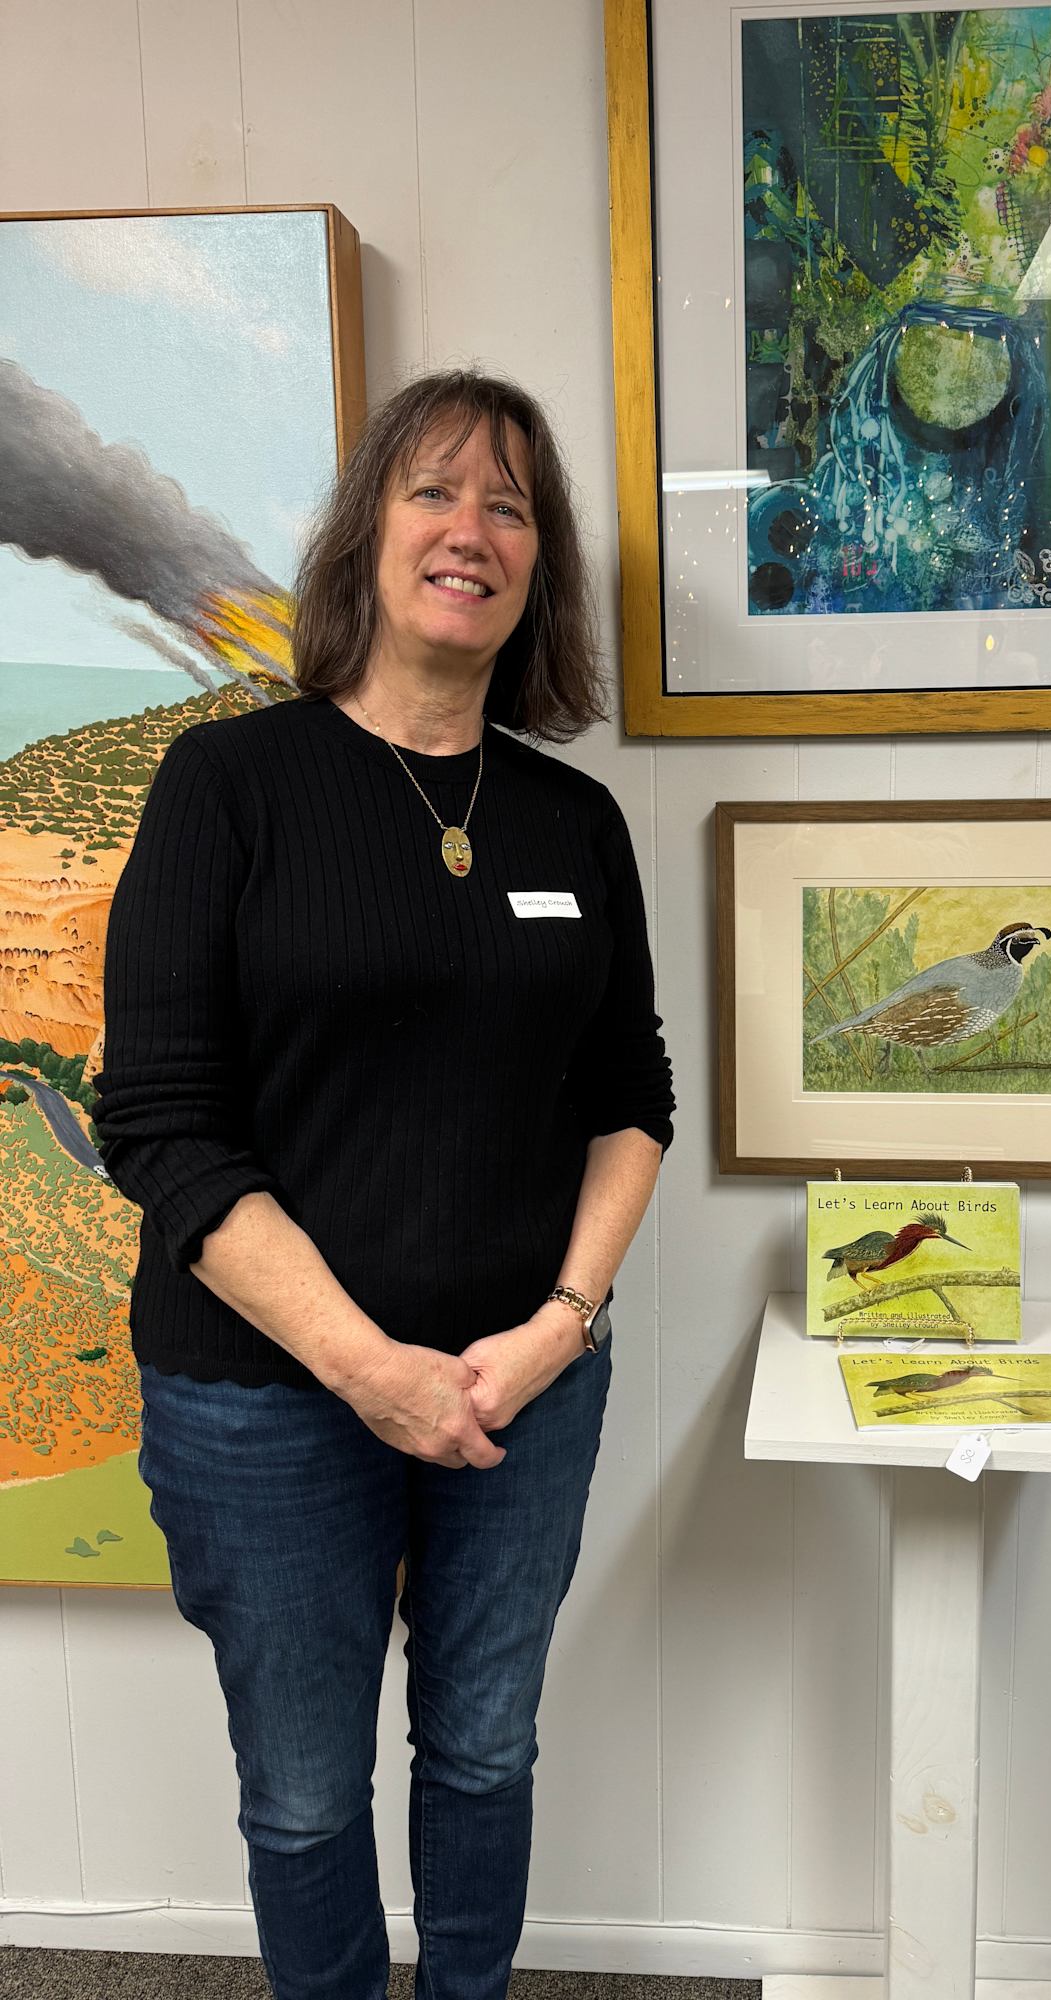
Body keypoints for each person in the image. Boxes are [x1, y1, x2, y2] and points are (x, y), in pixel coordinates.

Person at [95, 369, 674, 2000]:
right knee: (301, 1793)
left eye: (510, 506)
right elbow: (163, 1128)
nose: (470, 530)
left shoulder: (573, 821)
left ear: (540, 565)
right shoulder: (229, 786)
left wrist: (559, 1328)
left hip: (522, 1393)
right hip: (264, 1401)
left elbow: (632, 1099)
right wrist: (369, 1370)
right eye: (434, 491)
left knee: (485, 1751)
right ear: (367, 532)